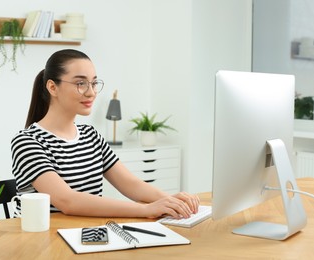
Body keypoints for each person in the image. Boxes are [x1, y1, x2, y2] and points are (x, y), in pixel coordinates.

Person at [11, 49, 200, 219]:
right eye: (80, 83)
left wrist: (170, 200)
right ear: (52, 87)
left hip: (89, 236)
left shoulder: (90, 135)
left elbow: (129, 183)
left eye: (94, 83)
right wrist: (146, 210)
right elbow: (67, 201)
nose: (91, 92)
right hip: (46, 244)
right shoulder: (27, 142)